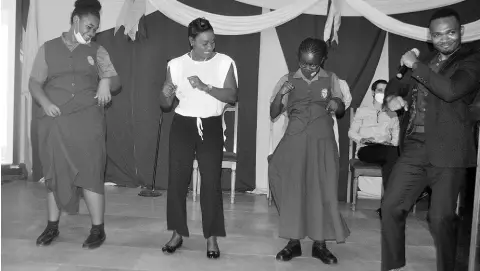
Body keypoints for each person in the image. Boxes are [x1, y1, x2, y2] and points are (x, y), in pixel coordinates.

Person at [380, 8, 480, 271]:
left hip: (449, 150)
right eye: (438, 35)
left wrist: (415, 64)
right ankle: (393, 266)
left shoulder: (471, 60)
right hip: (414, 147)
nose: (444, 39)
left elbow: (451, 90)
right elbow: (394, 85)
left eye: (450, 32)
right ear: (430, 36)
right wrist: (392, 98)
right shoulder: (426, 61)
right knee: (391, 206)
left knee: (440, 219)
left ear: (461, 32)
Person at [29, 0, 120, 249]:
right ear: (76, 20)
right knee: (55, 172)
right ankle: (52, 226)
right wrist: (45, 103)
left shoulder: (98, 51)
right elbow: (35, 83)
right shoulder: (47, 48)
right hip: (55, 121)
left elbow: (115, 79)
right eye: (89, 27)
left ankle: (98, 229)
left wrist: (105, 82)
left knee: (91, 171)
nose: (91, 33)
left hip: (87, 120)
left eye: (95, 29)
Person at [160, 18, 238, 259]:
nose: (210, 47)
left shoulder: (225, 62)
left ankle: (211, 237)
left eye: (212, 42)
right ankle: (177, 233)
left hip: (211, 125)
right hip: (182, 124)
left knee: (211, 182)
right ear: (191, 41)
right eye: (204, 43)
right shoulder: (176, 64)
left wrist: (206, 87)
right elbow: (165, 104)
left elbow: (232, 95)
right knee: (177, 181)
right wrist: (164, 94)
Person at [268, 38, 350, 265]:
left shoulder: (331, 79)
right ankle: (293, 242)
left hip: (322, 142)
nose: (307, 68)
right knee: (290, 186)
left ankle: (320, 245)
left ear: (322, 60)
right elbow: (273, 112)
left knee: (322, 190)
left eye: (313, 64)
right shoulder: (287, 79)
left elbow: (341, 108)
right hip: (294, 141)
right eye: (303, 63)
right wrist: (280, 94)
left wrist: (336, 104)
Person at [348, 79, 399, 218]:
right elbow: (351, 132)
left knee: (392, 159)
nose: (382, 93)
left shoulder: (393, 114)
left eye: (385, 90)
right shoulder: (363, 110)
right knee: (393, 157)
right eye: (379, 90)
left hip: (386, 150)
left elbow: (396, 138)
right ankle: (390, 206)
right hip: (367, 149)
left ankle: (386, 207)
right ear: (373, 92)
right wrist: (361, 139)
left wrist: (393, 144)